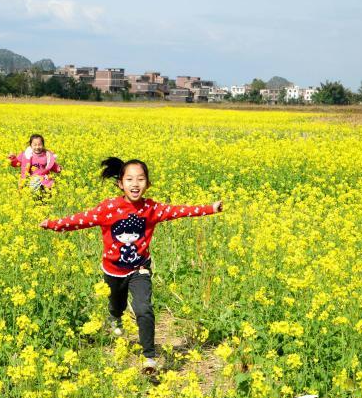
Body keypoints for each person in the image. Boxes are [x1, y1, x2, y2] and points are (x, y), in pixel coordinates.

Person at [39, 157, 224, 374]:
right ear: (120, 184)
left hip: (139, 269)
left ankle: (149, 358)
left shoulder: (151, 208)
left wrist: (210, 208)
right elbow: (81, 219)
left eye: (140, 179)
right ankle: (115, 317)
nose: (135, 184)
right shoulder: (109, 208)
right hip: (113, 270)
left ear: (148, 184)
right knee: (117, 305)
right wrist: (52, 224)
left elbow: (178, 211)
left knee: (143, 308)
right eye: (129, 179)